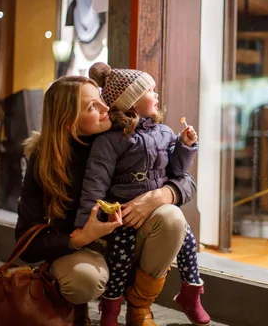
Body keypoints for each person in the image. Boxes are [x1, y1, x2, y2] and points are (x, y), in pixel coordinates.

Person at [15, 75, 197, 326]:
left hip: (129, 239)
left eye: (101, 99)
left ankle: (139, 309)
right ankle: (73, 306)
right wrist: (80, 237)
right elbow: (26, 243)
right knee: (83, 280)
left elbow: (185, 179)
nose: (106, 108)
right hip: (82, 249)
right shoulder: (46, 159)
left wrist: (161, 195)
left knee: (172, 218)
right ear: (68, 121)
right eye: (92, 107)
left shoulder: (127, 135)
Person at [74, 63, 210, 326]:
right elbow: (95, 183)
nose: (157, 95)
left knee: (187, 239)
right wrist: (85, 227)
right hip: (123, 215)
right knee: (120, 262)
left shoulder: (164, 132)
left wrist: (185, 146)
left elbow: (178, 171)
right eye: (150, 90)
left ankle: (189, 294)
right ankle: (110, 314)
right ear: (133, 103)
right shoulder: (110, 140)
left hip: (157, 214)